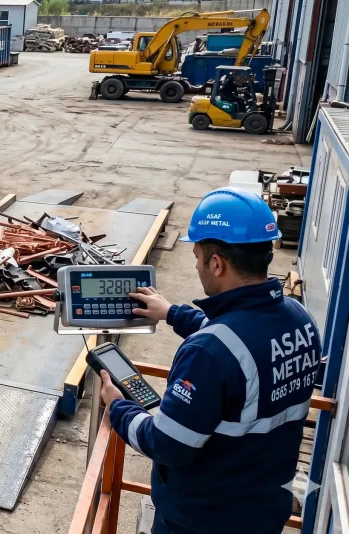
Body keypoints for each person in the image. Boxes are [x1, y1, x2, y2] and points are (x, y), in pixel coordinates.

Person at [99, 186, 321, 534]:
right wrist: (172, 313)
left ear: (216, 263)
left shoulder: (208, 353)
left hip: (202, 519)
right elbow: (244, 342)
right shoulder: (299, 319)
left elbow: (167, 444)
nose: (197, 266)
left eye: (197, 257)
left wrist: (118, 408)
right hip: (262, 511)